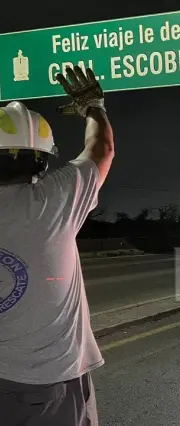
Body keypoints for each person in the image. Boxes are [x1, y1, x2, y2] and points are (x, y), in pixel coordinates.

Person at [0, 66, 114, 425]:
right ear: (42, 157)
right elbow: (102, 148)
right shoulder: (54, 200)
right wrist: (93, 107)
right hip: (48, 382)